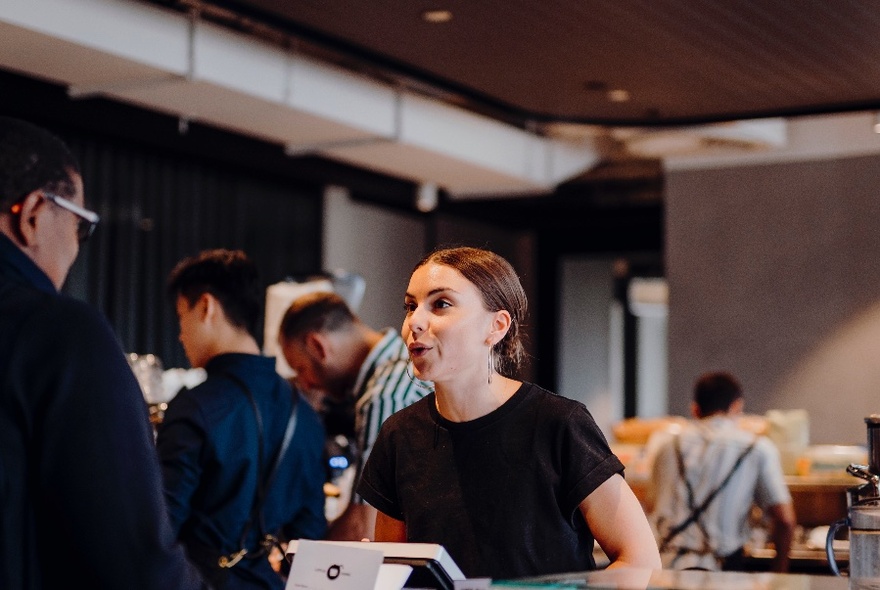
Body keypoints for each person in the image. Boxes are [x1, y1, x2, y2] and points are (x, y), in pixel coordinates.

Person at [357, 246, 661, 579]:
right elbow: (397, 571)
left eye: (441, 304)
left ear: (496, 326)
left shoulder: (558, 424)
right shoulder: (399, 434)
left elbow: (639, 560)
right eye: (411, 306)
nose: (414, 321)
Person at [0, 116, 208, 588]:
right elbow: (133, 561)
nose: (76, 248)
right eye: (81, 227)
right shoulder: (56, 332)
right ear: (33, 213)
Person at [157, 249, 327, 589]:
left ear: (206, 307)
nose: (180, 335)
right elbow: (309, 541)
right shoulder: (305, 413)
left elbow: (159, 531)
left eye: (181, 317)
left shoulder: (195, 407)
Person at [277, 291, 432, 541]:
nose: (306, 384)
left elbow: (363, 527)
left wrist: (299, 565)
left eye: (301, 369)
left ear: (318, 346)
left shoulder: (383, 397)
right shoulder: (402, 362)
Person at [646, 370, 796, 572]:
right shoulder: (757, 447)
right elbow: (785, 520)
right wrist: (780, 572)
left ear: (695, 409)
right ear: (737, 406)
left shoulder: (666, 446)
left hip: (667, 570)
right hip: (723, 573)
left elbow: (651, 507)